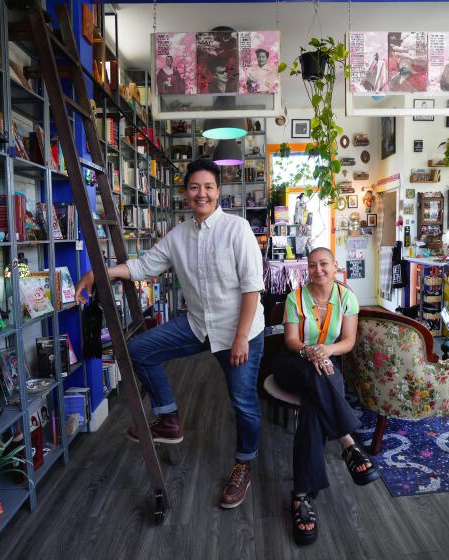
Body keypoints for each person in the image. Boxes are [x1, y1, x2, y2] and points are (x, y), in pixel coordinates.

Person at [74, 158, 265, 509]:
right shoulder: (178, 235)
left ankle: (244, 465)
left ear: (218, 191)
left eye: (208, 187)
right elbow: (144, 265)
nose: (201, 193)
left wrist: (240, 338)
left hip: (240, 331)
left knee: (243, 403)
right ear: (185, 194)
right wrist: (99, 273)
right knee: (138, 349)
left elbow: (252, 288)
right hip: (198, 325)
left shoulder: (237, 229)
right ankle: (169, 417)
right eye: (195, 187)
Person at [273, 248, 379, 546]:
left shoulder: (347, 297)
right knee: (316, 374)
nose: (317, 270)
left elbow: (348, 341)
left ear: (335, 267)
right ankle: (347, 439)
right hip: (293, 363)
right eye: (312, 265)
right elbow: (292, 340)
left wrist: (325, 351)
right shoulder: (296, 298)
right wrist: (310, 351)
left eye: (324, 265)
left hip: (327, 364)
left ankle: (301, 497)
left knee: (312, 408)